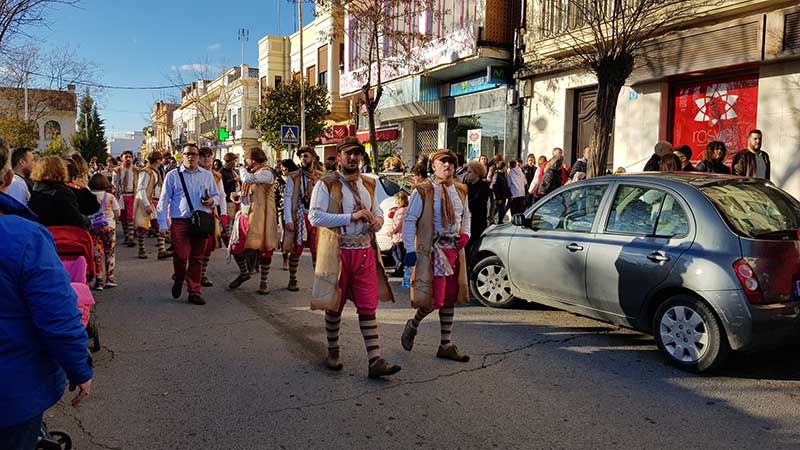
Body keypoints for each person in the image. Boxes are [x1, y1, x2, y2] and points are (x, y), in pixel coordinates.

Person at [0, 142, 93, 450]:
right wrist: (79, 368)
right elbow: (56, 315)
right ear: (7, 177)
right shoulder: (24, 237)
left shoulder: (33, 207)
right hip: (12, 392)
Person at [308, 136, 401, 379]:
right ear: (338, 156)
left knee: (368, 306)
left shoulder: (368, 183)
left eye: (357, 153)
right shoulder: (325, 184)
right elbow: (315, 217)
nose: (353, 158)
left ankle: (375, 360)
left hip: (364, 252)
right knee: (334, 304)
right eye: (348, 153)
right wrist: (351, 217)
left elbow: (378, 211)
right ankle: (333, 351)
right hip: (337, 253)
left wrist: (378, 221)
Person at [401, 149, 472, 363]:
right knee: (434, 299)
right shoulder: (422, 190)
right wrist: (409, 250)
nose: (447, 166)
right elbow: (409, 219)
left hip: (454, 250)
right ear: (434, 166)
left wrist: (466, 235)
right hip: (433, 251)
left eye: (451, 162)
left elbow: (466, 216)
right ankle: (413, 324)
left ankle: (445, 344)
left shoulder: (460, 189)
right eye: (443, 162)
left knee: (450, 298)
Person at [156, 143, 220, 305]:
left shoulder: (206, 175)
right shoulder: (172, 175)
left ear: (198, 157)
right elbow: (163, 200)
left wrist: (211, 201)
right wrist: (163, 224)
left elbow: (217, 196)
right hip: (180, 222)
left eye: (194, 154)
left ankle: (194, 291)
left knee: (197, 258)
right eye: (187, 154)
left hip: (201, 221)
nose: (190, 157)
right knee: (181, 255)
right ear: (182, 156)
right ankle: (179, 279)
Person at [228, 147, 279, 295]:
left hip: (262, 217)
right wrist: (238, 195)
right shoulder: (253, 173)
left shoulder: (267, 172)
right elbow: (250, 189)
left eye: (246, 159)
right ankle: (244, 273)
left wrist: (242, 169)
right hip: (246, 215)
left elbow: (249, 180)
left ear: (254, 160)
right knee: (236, 247)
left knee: (265, 250)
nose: (245, 162)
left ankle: (264, 282)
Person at [284, 146, 324, 292]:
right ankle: (292, 279)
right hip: (299, 216)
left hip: (317, 217)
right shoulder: (293, 176)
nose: (303, 159)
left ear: (313, 157)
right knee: (297, 248)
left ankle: (318, 283)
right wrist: (288, 219)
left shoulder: (321, 176)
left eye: (306, 156)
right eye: (301, 157)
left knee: (317, 250)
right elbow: (288, 197)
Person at [29, 156, 88, 228]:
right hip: (61, 234)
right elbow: (74, 219)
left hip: (40, 232)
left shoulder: (34, 190)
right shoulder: (63, 193)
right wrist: (87, 220)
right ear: (60, 170)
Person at [199, 147, 227, 287]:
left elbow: (221, 196)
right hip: (194, 214)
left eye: (209, 156)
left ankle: (202, 274)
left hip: (211, 213)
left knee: (208, 246)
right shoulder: (191, 173)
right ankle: (188, 271)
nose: (206, 159)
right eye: (203, 156)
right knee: (193, 247)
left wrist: (224, 214)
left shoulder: (216, 176)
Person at [134, 151, 170, 259]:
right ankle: (142, 249)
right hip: (146, 201)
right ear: (158, 160)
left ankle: (162, 250)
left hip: (156, 201)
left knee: (160, 225)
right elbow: (140, 189)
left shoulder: (156, 171)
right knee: (143, 227)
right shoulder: (146, 172)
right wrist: (146, 204)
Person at [89, 174, 121, 290]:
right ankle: (110, 278)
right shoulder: (110, 197)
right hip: (109, 227)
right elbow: (117, 213)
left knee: (97, 254)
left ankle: (99, 280)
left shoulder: (88, 196)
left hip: (93, 227)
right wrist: (112, 219)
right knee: (110, 253)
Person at [463, 160, 491, 254]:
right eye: (467, 171)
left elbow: (475, 203)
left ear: (477, 173)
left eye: (470, 172)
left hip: (477, 222)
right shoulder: (467, 185)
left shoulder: (483, 186)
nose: (467, 174)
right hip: (467, 222)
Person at [113, 150, 139, 247]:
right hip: (121, 196)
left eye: (130, 157)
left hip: (132, 195)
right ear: (121, 158)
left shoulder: (136, 170)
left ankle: (131, 237)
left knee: (130, 216)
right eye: (126, 157)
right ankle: (126, 236)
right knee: (123, 217)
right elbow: (114, 183)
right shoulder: (117, 171)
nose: (128, 159)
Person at [387, 191, 409, 277]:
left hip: (399, 236)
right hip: (404, 236)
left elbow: (397, 223)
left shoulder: (401, 211)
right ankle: (399, 268)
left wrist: (390, 231)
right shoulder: (407, 210)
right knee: (397, 252)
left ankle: (399, 266)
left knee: (396, 253)